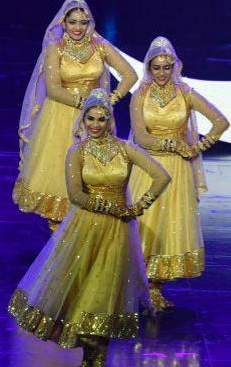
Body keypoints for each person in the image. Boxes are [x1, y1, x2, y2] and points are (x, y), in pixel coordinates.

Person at [9, 88, 170, 367]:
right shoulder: (77, 152)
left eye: (101, 119)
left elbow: (161, 176)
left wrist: (140, 205)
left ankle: (97, 356)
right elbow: (76, 196)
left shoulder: (125, 148)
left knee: (105, 291)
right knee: (81, 290)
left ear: (110, 121)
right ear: (83, 120)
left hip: (117, 232)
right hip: (86, 227)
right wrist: (113, 208)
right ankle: (88, 353)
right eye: (91, 119)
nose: (95, 125)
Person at [13, 0, 138, 230]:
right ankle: (59, 250)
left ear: (89, 22)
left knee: (94, 179)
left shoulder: (99, 46)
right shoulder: (55, 48)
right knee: (60, 184)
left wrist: (110, 99)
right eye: (73, 22)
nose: (78, 28)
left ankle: (85, 244)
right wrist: (88, 103)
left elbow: (130, 74)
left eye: (83, 22)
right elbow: (53, 89)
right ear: (64, 23)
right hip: (61, 118)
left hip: (94, 122)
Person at [129, 36, 229, 310]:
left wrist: (200, 145)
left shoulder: (185, 93)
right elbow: (140, 137)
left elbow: (221, 122)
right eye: (157, 67)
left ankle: (156, 286)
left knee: (169, 225)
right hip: (149, 167)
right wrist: (176, 145)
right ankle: (139, 283)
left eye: (166, 67)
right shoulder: (140, 95)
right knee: (145, 223)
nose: (162, 73)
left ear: (174, 66)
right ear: (149, 67)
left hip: (178, 171)